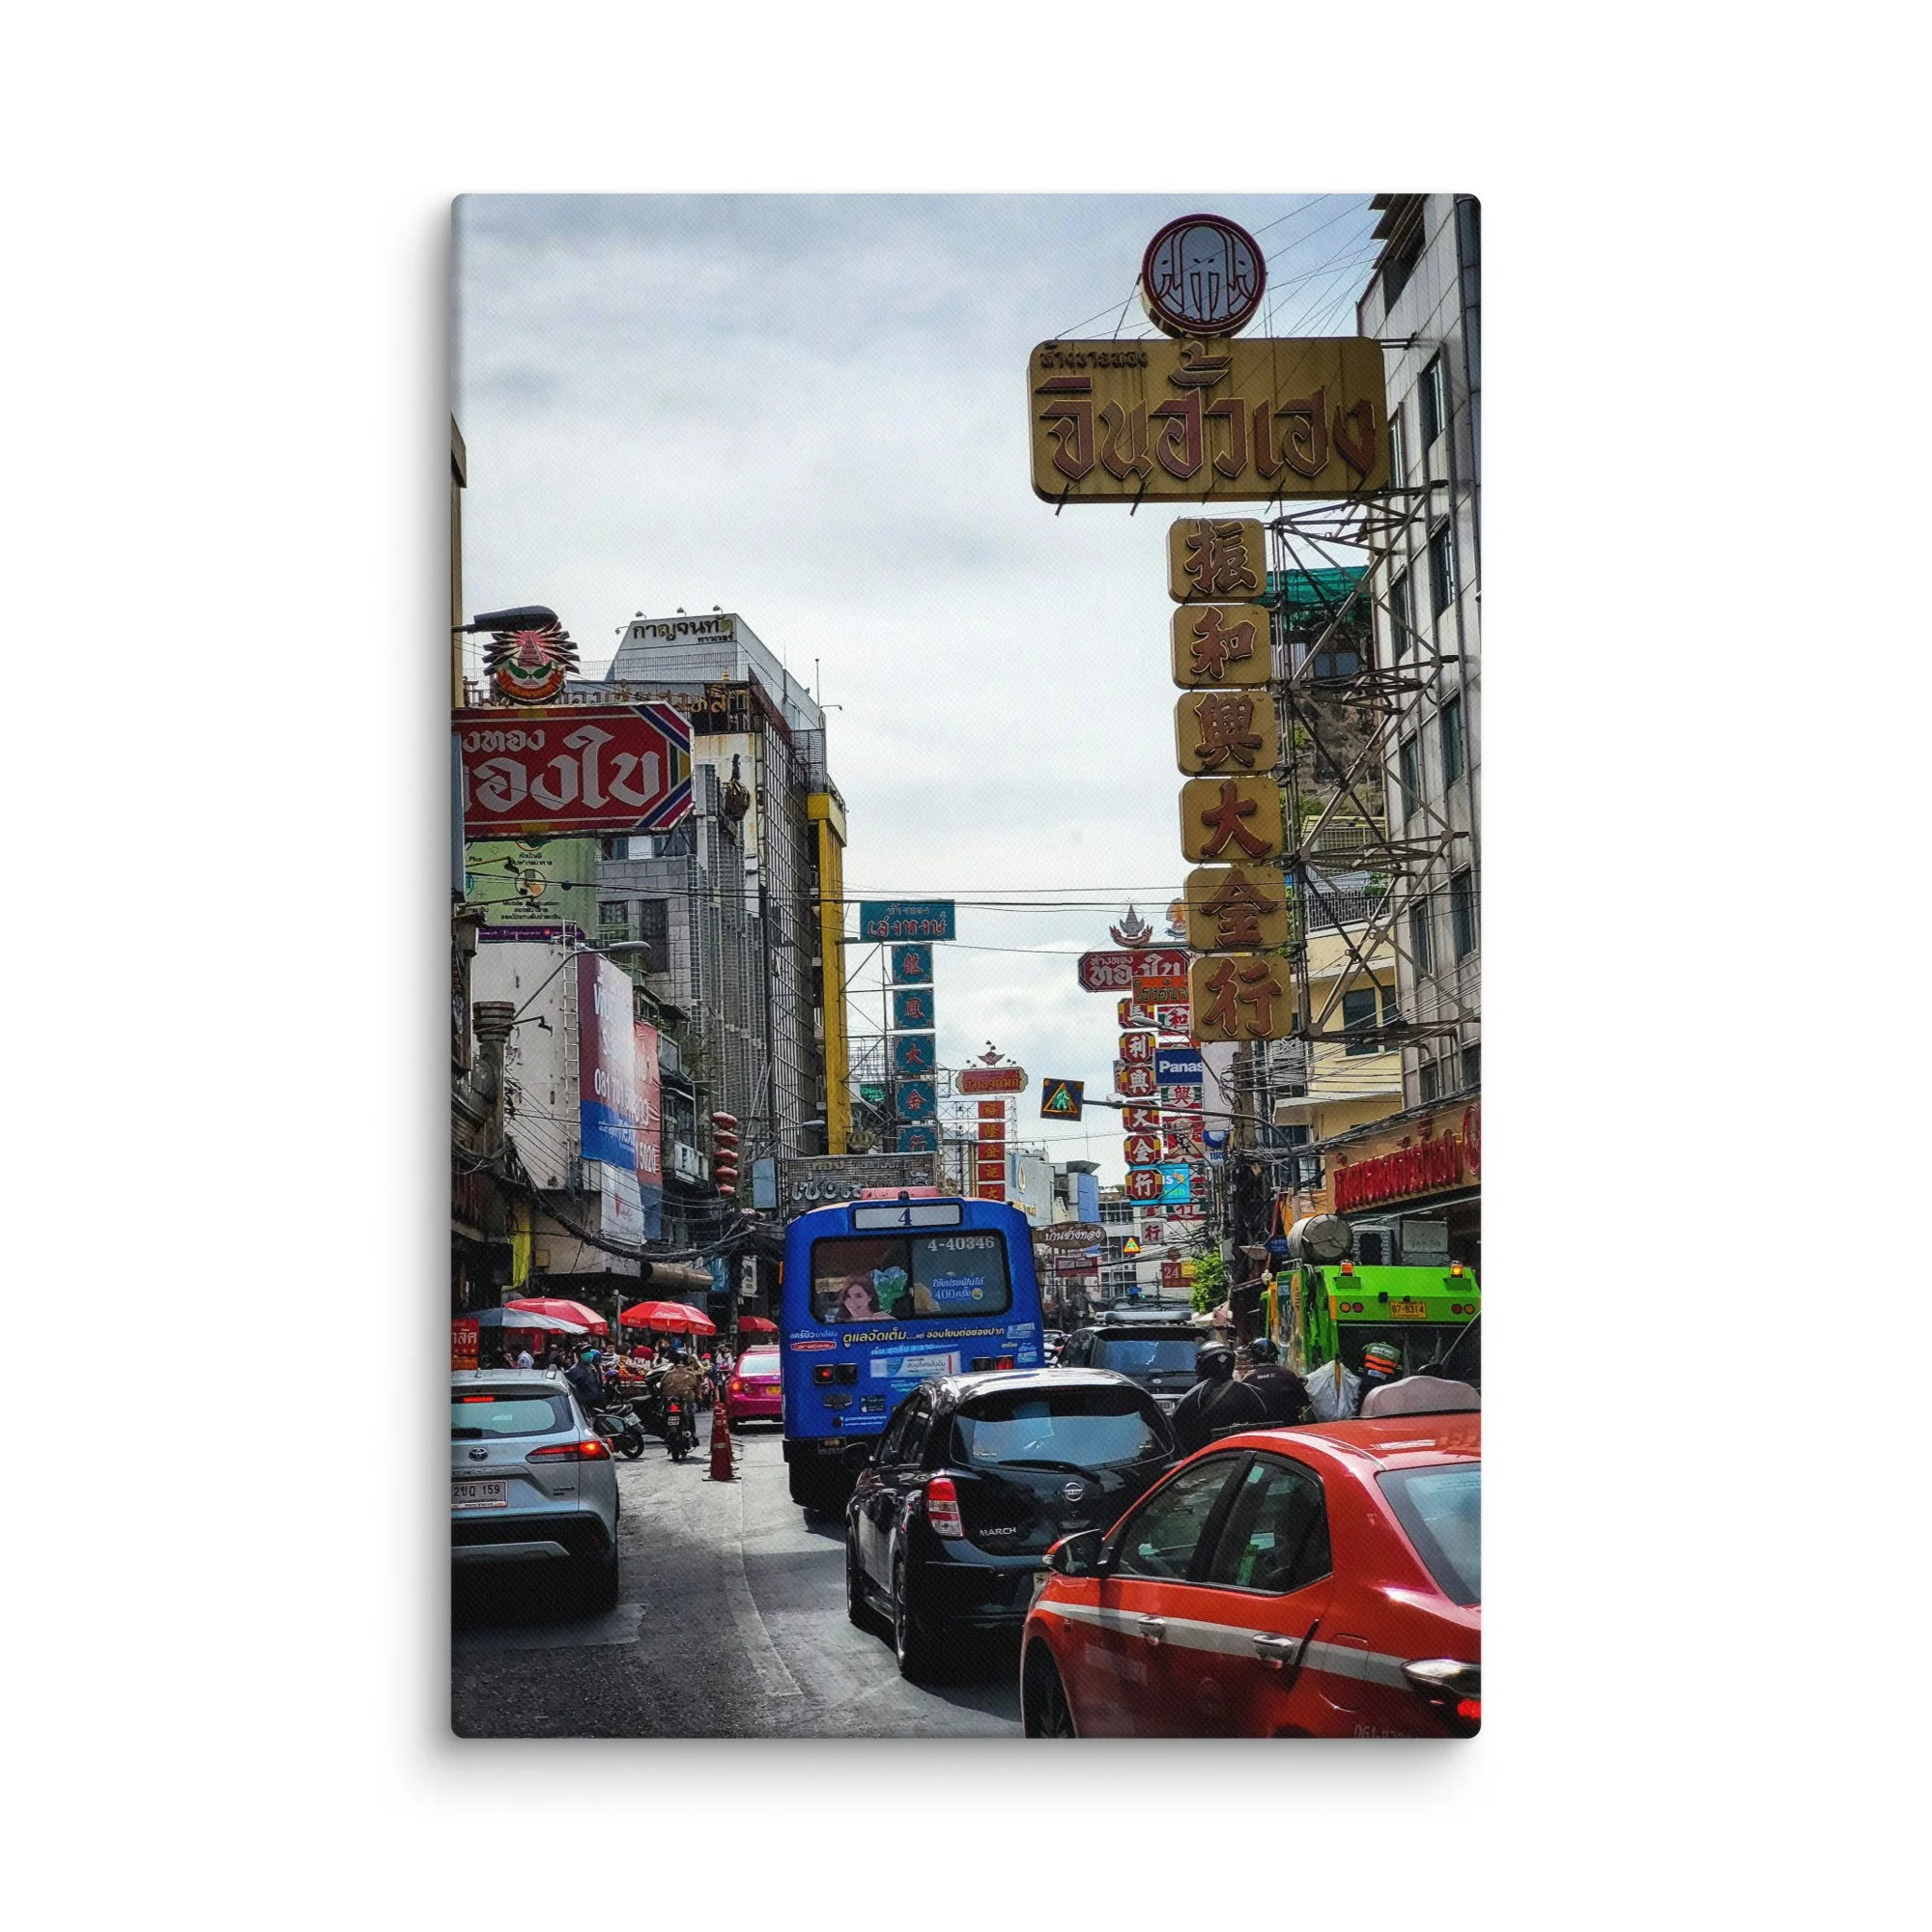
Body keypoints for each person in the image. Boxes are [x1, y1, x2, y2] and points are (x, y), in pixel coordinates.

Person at [1171, 1343, 1269, 1456]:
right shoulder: (1255, 1393)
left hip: (1207, 1460)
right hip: (1249, 1457)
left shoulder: (1195, 1397)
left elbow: (1177, 1432)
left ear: (1201, 1366)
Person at [1240, 1337, 1314, 1426]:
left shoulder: (1248, 1379)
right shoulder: (1287, 1374)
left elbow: (1242, 1410)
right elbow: (1304, 1401)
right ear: (1275, 1356)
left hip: (1260, 1430)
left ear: (1254, 1357)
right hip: (1289, 1426)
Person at [1352, 1341, 1404, 1416]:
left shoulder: (1368, 1347)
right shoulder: (1397, 1353)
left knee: (1362, 1402)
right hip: (1385, 1386)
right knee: (1382, 1408)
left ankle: (1359, 1417)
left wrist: (1361, 1378)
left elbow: (1359, 1368)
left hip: (1367, 1382)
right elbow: (1399, 1373)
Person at [564, 1347, 606, 1414]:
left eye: (589, 1353)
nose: (589, 1355)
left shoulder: (593, 1367)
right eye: (586, 1353)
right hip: (583, 1405)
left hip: (596, 1402)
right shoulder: (574, 1370)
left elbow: (597, 1383)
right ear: (579, 1356)